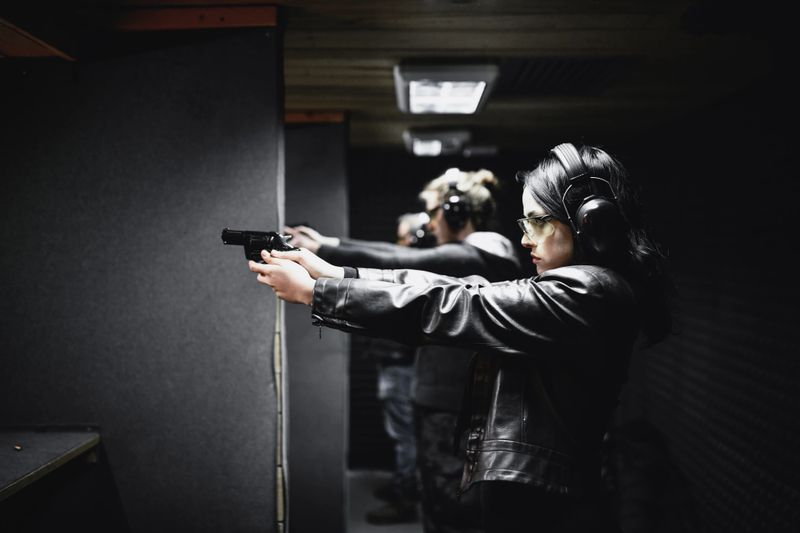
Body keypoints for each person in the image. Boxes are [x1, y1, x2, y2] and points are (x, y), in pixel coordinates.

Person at [248, 142, 673, 533]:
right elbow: (464, 289)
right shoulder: (582, 288)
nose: (525, 237)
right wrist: (339, 274)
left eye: (539, 222)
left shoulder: (587, 292)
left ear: (589, 224)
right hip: (538, 503)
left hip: (551, 512)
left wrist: (316, 292)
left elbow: (455, 304)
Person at [285, 168, 523, 533]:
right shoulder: (464, 255)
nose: (428, 224)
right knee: (439, 504)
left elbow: (405, 263)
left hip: (458, 408)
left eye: (433, 212)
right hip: (444, 402)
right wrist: (326, 247)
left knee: (454, 511)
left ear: (456, 212)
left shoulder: (489, 253)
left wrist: (326, 250)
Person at [362, 212, 432, 525]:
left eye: (404, 237)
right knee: (400, 433)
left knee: (405, 436)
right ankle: (403, 486)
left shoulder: (419, 269)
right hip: (393, 363)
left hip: (402, 365)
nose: (399, 243)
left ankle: (407, 499)